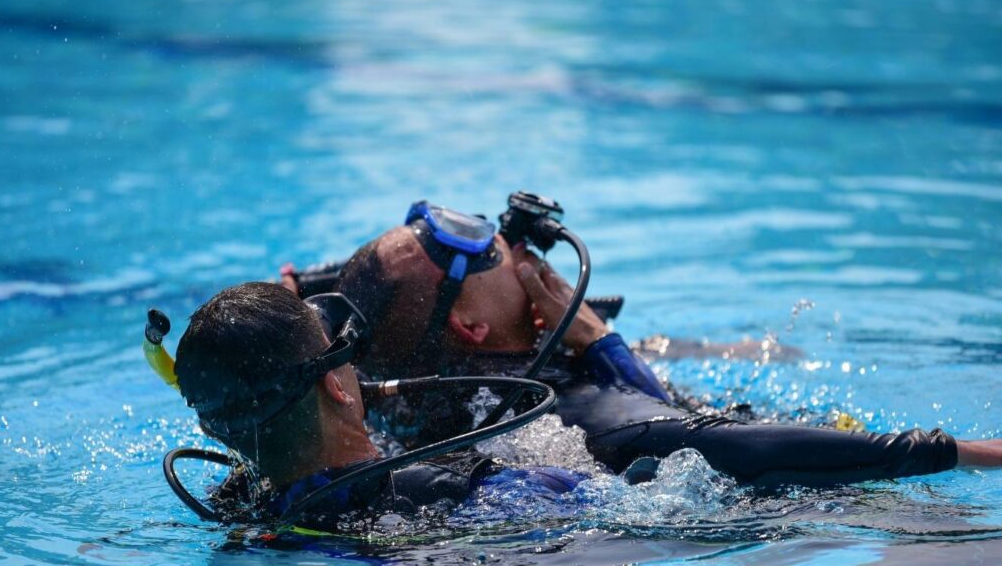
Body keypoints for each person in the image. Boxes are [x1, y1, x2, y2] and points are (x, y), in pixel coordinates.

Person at [323, 203, 1002, 487]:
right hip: (789, 504)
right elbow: (716, 442)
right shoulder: (569, 407)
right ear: (471, 329)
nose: (512, 245)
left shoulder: (394, 390)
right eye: (491, 254)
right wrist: (962, 451)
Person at [172, 281, 586, 531]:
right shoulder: (464, 490)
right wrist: (601, 344)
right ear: (335, 385)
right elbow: (611, 509)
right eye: (343, 353)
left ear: (212, 430)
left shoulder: (239, 512)